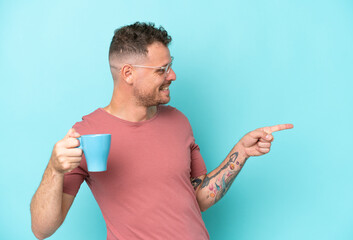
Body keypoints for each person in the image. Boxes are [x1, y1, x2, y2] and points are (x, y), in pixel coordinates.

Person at [30, 22, 293, 240]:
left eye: (170, 65)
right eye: (162, 70)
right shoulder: (86, 134)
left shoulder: (178, 121)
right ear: (129, 73)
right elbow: (42, 229)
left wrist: (240, 153)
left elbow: (197, 199)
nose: (173, 75)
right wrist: (54, 169)